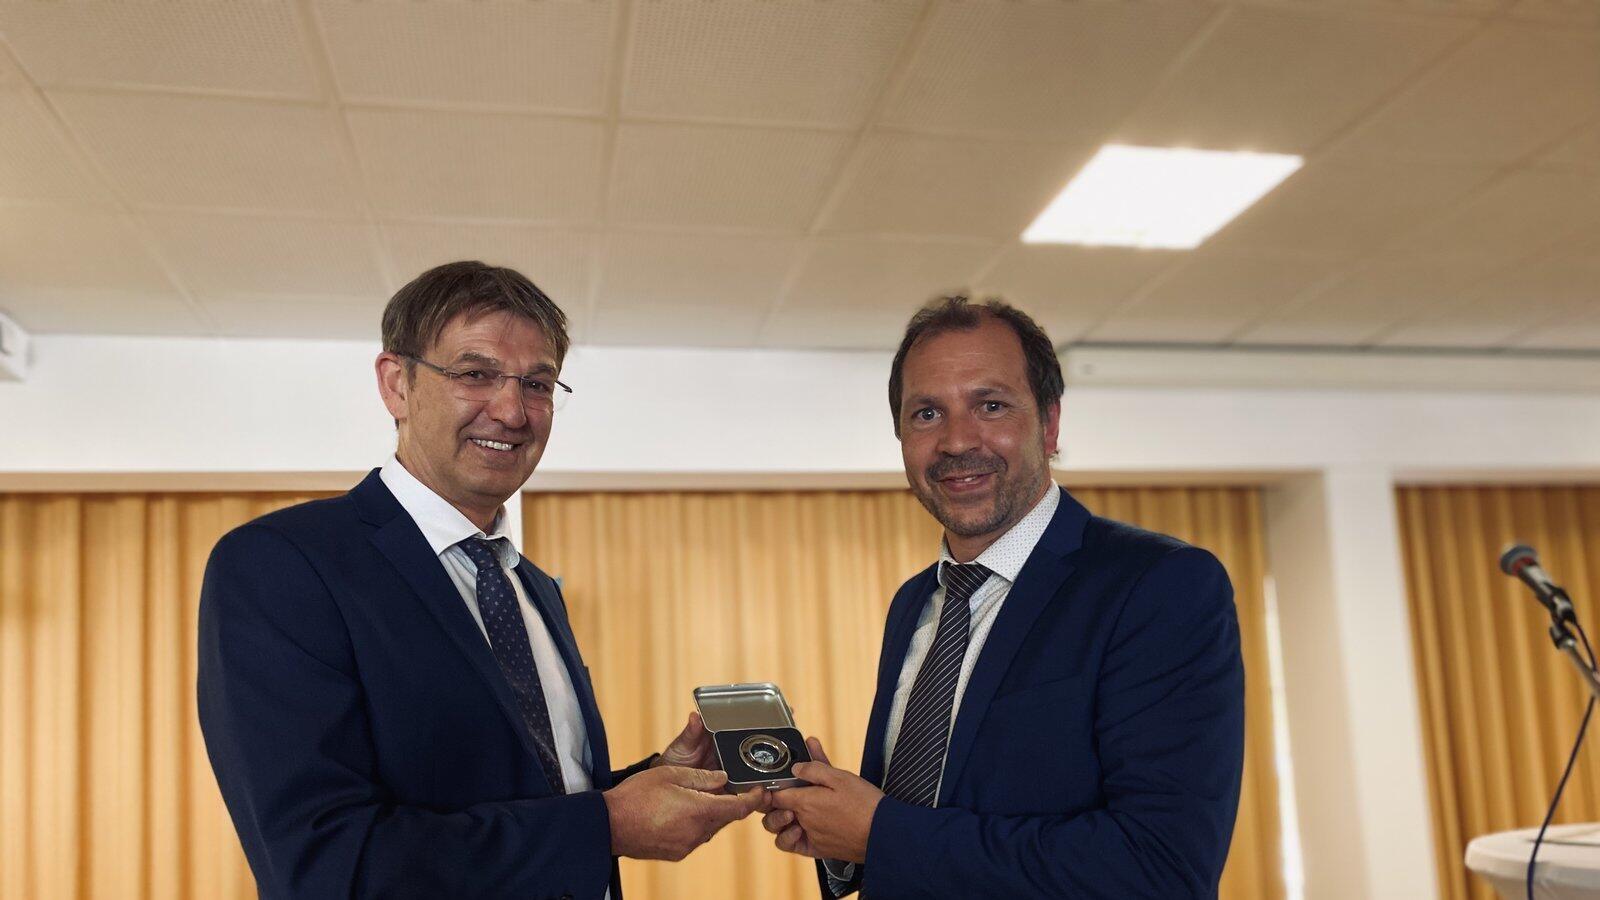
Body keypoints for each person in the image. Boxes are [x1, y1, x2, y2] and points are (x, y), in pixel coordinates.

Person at [198, 261, 766, 899]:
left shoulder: (531, 585)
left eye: (538, 384)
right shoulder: (283, 564)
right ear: (396, 385)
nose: (513, 411)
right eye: (475, 375)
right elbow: (328, 864)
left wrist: (653, 781)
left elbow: (531, 793)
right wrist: (605, 824)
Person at [762, 296, 1245, 898]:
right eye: (927, 414)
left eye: (991, 406)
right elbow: (915, 823)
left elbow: (1162, 869)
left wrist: (882, 833)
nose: (957, 440)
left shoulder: (1159, 585)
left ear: (1050, 424)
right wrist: (840, 836)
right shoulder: (915, 602)